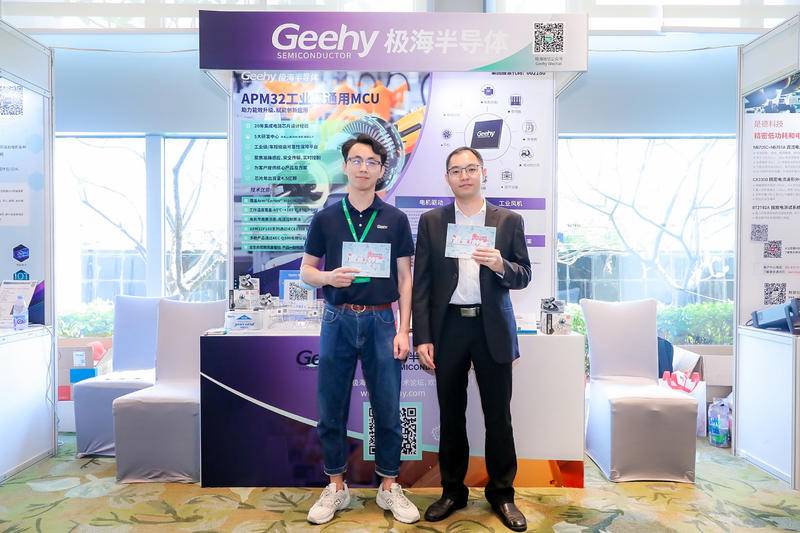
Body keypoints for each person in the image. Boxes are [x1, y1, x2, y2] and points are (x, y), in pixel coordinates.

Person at [300, 134, 420, 525]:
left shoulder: (396, 219)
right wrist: (328, 278)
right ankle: (336, 485)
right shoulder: (326, 217)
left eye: (371, 162)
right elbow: (306, 271)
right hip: (337, 319)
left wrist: (404, 329)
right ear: (345, 166)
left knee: (388, 406)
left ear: (382, 170)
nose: (363, 167)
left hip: (382, 320)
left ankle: (389, 485)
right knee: (330, 406)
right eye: (356, 160)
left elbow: (406, 278)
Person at [412, 146, 531, 531]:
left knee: (499, 416)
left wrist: (500, 264)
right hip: (449, 328)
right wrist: (422, 336)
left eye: (470, 169)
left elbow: (523, 274)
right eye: (455, 170)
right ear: (447, 178)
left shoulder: (508, 221)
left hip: (490, 327)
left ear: (483, 173)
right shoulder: (432, 222)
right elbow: (422, 284)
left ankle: (502, 494)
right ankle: (452, 491)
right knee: (451, 415)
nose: (463, 176)